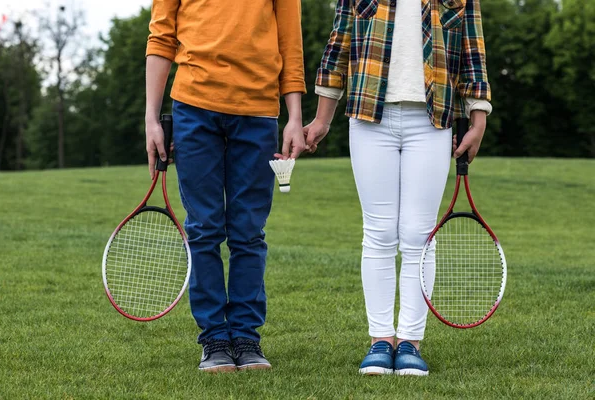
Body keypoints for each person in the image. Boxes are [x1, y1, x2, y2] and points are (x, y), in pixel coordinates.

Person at [304, 0, 492, 376]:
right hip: (369, 116)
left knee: (419, 234)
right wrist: (322, 119)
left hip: (432, 121)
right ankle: (380, 340)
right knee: (378, 231)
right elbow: (338, 45)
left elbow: (473, 52)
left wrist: (478, 117)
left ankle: (410, 342)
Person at [145, 0, 306, 373]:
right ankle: (215, 338)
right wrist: (152, 118)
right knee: (203, 229)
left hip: (259, 112)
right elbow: (161, 37)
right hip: (193, 108)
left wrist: (294, 117)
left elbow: (290, 44)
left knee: (248, 232)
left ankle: (247, 338)